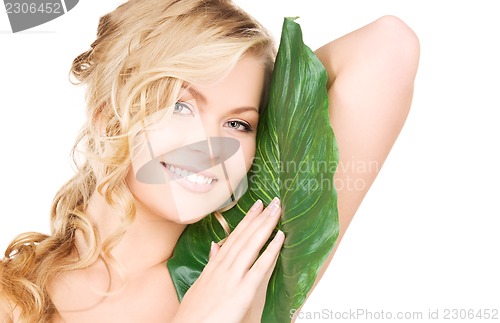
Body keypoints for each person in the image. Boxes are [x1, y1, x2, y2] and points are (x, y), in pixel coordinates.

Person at [0, 0, 420, 322]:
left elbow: (388, 46)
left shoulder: (247, 264)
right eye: (181, 107)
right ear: (109, 117)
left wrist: (272, 109)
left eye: (238, 124)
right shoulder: (14, 291)